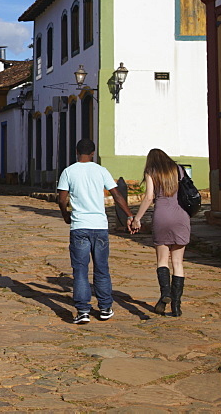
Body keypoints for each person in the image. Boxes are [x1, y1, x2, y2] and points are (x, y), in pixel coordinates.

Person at [57, 138, 134, 324]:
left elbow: (61, 199)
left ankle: (83, 310)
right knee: (101, 269)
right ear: (93, 153)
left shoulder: (69, 171)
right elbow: (116, 195)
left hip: (80, 226)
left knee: (81, 270)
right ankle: (105, 307)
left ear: (77, 152)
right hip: (99, 226)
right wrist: (130, 215)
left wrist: (66, 215)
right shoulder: (101, 171)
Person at [128, 148, 191, 317]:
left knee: (162, 260)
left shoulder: (151, 171)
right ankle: (176, 307)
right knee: (178, 263)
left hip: (162, 216)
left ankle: (165, 294)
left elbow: (149, 197)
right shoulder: (179, 169)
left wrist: (137, 218)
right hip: (181, 217)